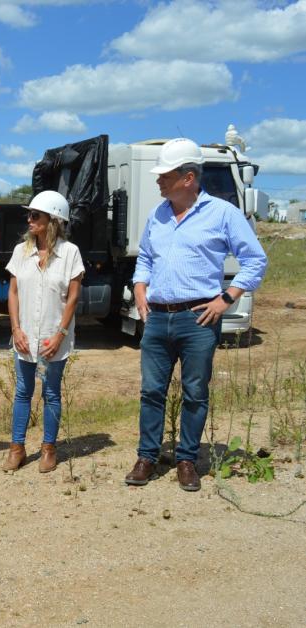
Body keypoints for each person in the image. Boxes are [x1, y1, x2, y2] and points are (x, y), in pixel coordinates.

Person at [124, 138, 267, 491]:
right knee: (151, 392)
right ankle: (147, 457)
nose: (158, 181)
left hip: (199, 319)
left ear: (188, 178)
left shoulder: (222, 214)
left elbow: (255, 259)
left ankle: (187, 460)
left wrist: (227, 299)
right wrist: (140, 288)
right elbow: (145, 259)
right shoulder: (157, 214)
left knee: (195, 392)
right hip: (157, 318)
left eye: (165, 175)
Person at [3, 191, 84, 473]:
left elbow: (73, 298)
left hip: (53, 339)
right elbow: (13, 293)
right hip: (25, 338)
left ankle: (49, 448)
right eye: (29, 214)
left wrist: (60, 334)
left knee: (51, 393)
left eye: (35, 215)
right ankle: (17, 449)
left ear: (53, 220)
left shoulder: (70, 253)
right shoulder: (20, 252)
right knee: (23, 391)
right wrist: (16, 329)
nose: (29, 219)